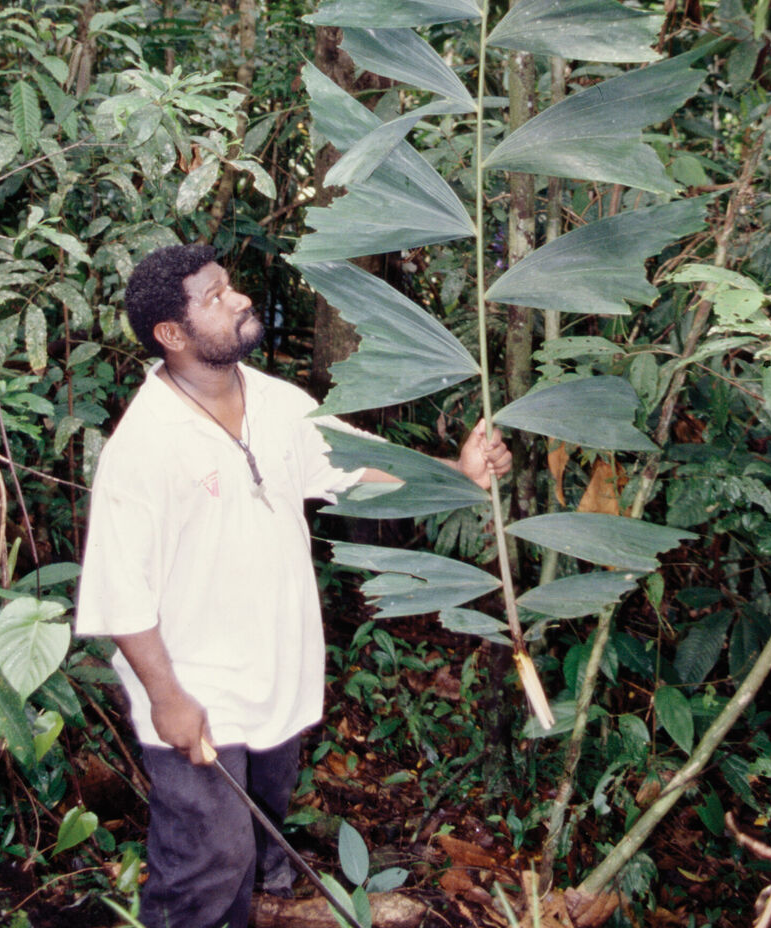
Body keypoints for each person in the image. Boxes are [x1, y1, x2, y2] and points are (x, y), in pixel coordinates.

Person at [75, 242, 510, 928]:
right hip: (194, 688)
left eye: (230, 285)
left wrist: (454, 475)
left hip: (277, 674)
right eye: (215, 297)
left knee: (260, 827)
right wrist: (167, 699)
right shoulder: (144, 446)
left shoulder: (276, 402)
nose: (241, 298)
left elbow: (354, 464)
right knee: (207, 863)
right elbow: (119, 593)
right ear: (172, 335)